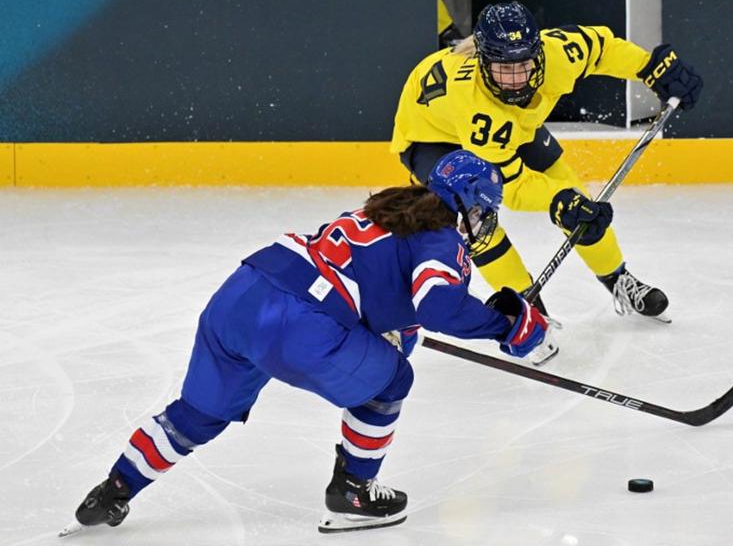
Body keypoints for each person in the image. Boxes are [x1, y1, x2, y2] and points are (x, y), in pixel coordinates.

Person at [59, 150, 559, 537]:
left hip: (243, 294)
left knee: (199, 413)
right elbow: (437, 305)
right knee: (391, 382)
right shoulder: (441, 237)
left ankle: (114, 489)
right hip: (298, 321)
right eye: (483, 211)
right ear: (465, 205)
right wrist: (508, 328)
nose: (485, 222)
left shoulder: (392, 210)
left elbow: (390, 303)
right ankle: (353, 491)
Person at [391, 0, 703, 324]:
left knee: (578, 203)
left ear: (538, 53)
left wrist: (651, 68)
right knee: (477, 221)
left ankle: (618, 278)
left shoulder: (557, 55)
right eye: (504, 68)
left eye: (523, 65)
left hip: (509, 126)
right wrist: (557, 201)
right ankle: (528, 315)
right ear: (483, 62)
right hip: (431, 137)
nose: (516, 80)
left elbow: (602, 49)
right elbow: (510, 189)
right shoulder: (478, 109)